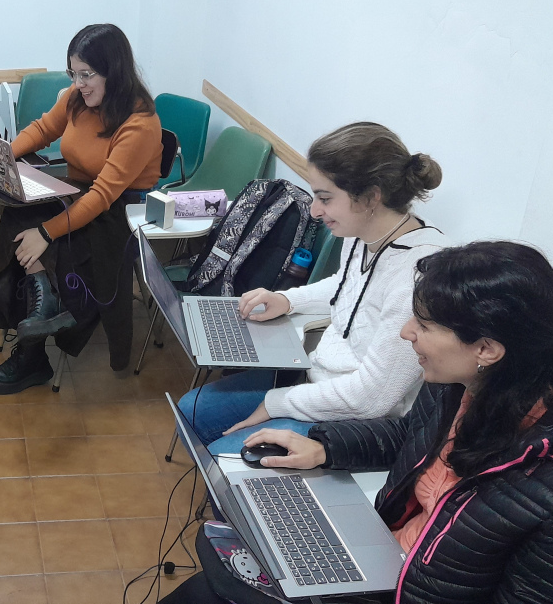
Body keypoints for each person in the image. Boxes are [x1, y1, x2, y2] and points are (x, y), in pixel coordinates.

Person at [225, 241, 553, 604]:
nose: (406, 332)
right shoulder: (458, 381)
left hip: (403, 591)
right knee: (236, 549)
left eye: (423, 325)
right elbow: (413, 435)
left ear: (486, 349)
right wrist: (324, 448)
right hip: (383, 560)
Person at [176, 122, 448, 453]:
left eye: (325, 198)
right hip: (317, 380)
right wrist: (287, 300)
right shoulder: (363, 232)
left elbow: (371, 398)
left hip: (356, 419)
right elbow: (347, 285)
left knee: (226, 459)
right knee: (192, 410)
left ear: (371, 197)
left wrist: (275, 404)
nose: (315, 211)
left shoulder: (418, 276)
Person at [0, 23, 162, 395]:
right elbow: (43, 129)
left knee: (48, 243)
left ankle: (33, 349)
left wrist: (46, 233)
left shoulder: (140, 123)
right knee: (18, 213)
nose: (78, 83)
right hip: (77, 192)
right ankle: (43, 307)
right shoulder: (76, 98)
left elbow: (101, 197)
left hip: (119, 211)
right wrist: (1, 157)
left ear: (114, 71)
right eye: (73, 73)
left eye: (87, 74)